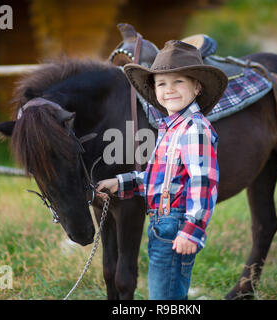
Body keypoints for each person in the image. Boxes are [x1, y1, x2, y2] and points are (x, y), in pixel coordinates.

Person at [96, 40, 228, 300]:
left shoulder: (194, 129)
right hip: (161, 225)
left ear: (197, 87)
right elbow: (157, 179)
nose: (169, 90)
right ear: (154, 89)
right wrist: (119, 183)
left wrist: (192, 229)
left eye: (179, 82)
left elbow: (204, 181)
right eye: (162, 83)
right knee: (167, 292)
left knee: (165, 297)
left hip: (176, 224)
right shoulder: (169, 129)